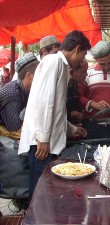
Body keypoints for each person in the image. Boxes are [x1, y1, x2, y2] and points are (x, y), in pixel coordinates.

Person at [18, 30, 91, 198]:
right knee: (40, 192)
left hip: (46, 140)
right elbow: (44, 102)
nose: (82, 60)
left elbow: (56, 109)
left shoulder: (61, 65)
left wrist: (71, 129)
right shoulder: (54, 62)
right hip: (42, 142)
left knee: (46, 191)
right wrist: (43, 139)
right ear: (77, 49)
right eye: (83, 55)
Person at [0, 53, 39, 135]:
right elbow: (15, 130)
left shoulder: (24, 90)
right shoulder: (12, 94)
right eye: (39, 73)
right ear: (28, 75)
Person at [67, 58, 88, 125]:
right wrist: (73, 114)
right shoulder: (62, 87)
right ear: (71, 72)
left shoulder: (75, 84)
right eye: (84, 71)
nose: (86, 74)